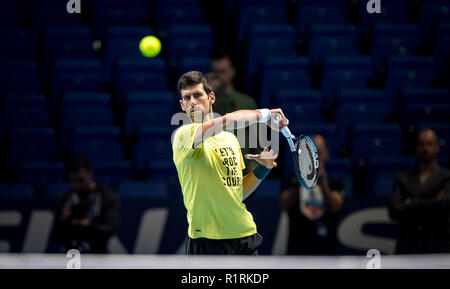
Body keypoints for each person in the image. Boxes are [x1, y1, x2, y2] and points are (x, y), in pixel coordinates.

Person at [172, 71, 289, 255]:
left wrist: (262, 169)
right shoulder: (183, 135)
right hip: (207, 240)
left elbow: (236, 193)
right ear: (182, 105)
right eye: (187, 98)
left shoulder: (230, 140)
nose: (192, 102)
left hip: (245, 235)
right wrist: (265, 114)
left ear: (211, 97)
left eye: (197, 95)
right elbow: (229, 120)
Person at [280, 135, 345, 255]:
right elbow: (284, 205)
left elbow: (336, 206)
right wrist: (300, 181)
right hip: (298, 250)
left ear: (327, 154)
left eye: (319, 153)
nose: (315, 158)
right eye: (311, 154)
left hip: (327, 251)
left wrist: (323, 183)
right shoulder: (292, 181)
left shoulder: (334, 182)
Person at [389, 129, 450, 254]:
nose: (425, 148)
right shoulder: (402, 178)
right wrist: (433, 202)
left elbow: (445, 204)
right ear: (416, 147)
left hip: (439, 245)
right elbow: (393, 209)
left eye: (429, 144)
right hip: (407, 245)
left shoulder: (446, 177)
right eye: (421, 144)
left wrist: (412, 203)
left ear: (437, 147)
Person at [53, 155, 119, 253]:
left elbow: (111, 229)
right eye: (73, 181)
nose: (77, 185)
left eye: (80, 180)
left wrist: (89, 225)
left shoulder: (106, 197)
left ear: (89, 173)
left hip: (98, 253)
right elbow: (57, 235)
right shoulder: (66, 198)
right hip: (72, 254)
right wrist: (64, 221)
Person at [208, 50, 259, 173]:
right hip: (212, 169)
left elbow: (256, 139)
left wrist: (253, 168)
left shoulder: (247, 102)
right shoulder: (206, 102)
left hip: (242, 170)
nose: (219, 76)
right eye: (215, 72)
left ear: (232, 72)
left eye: (223, 72)